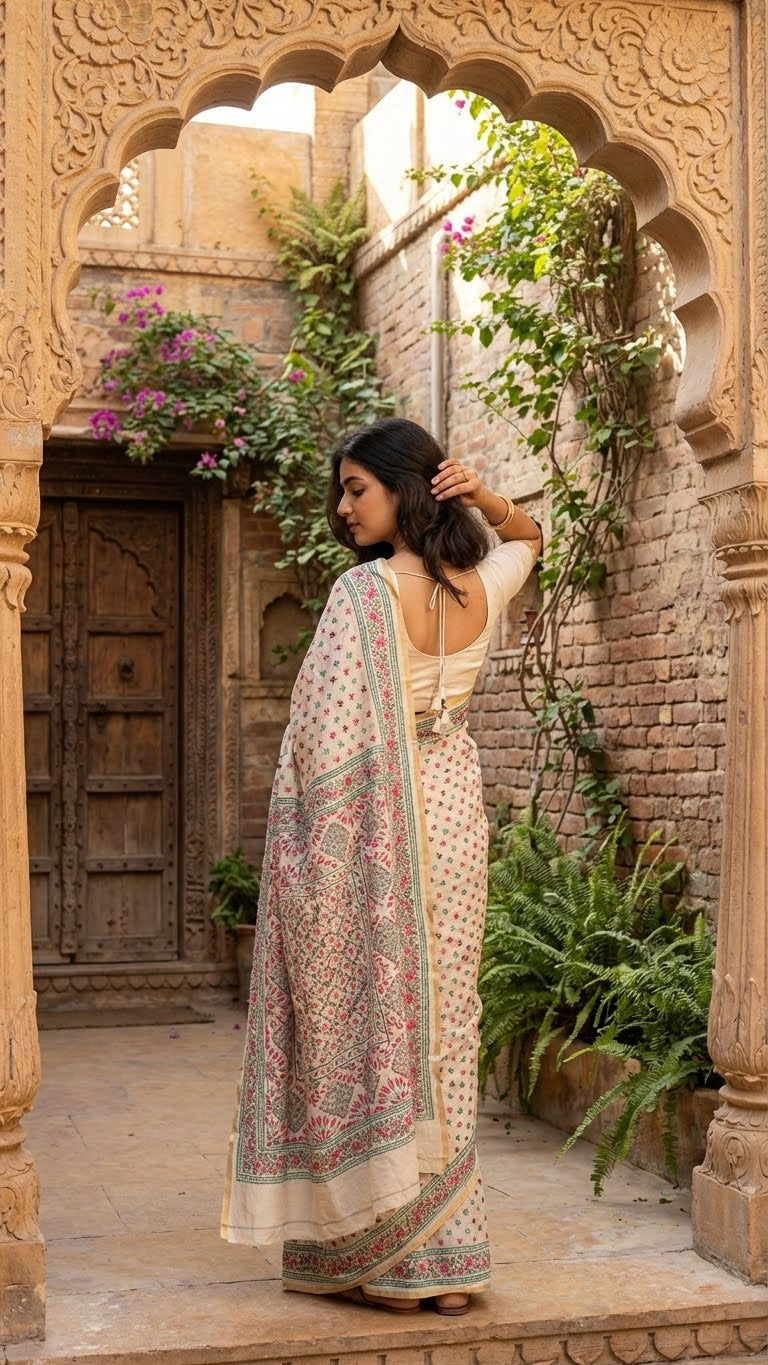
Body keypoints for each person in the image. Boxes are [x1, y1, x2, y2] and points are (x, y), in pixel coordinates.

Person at [221, 417, 541, 1316]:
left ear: (406, 488)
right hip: (449, 815)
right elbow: (530, 535)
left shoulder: (362, 597)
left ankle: (387, 1257)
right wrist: (480, 496)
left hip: (375, 834)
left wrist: (297, 862)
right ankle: (446, 1262)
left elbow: (319, 749)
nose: (343, 505)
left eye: (358, 487)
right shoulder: (482, 585)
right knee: (445, 1021)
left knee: (378, 1023)